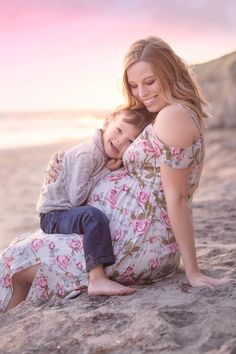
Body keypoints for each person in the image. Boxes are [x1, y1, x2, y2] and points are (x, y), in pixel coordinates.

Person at [0, 36, 229, 313]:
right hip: (125, 239)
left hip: (136, 245)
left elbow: (177, 197)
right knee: (22, 246)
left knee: (16, 258)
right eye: (134, 85)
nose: (142, 92)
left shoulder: (173, 117)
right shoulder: (164, 115)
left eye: (150, 81)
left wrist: (193, 272)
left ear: (170, 73)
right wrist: (63, 163)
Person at [37, 106, 151, 297]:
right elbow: (76, 198)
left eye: (130, 141)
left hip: (61, 212)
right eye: (118, 130)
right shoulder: (90, 153)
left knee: (92, 217)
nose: (120, 141)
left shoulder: (100, 151)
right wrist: (106, 171)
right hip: (53, 215)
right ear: (107, 123)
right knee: (94, 218)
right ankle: (97, 279)